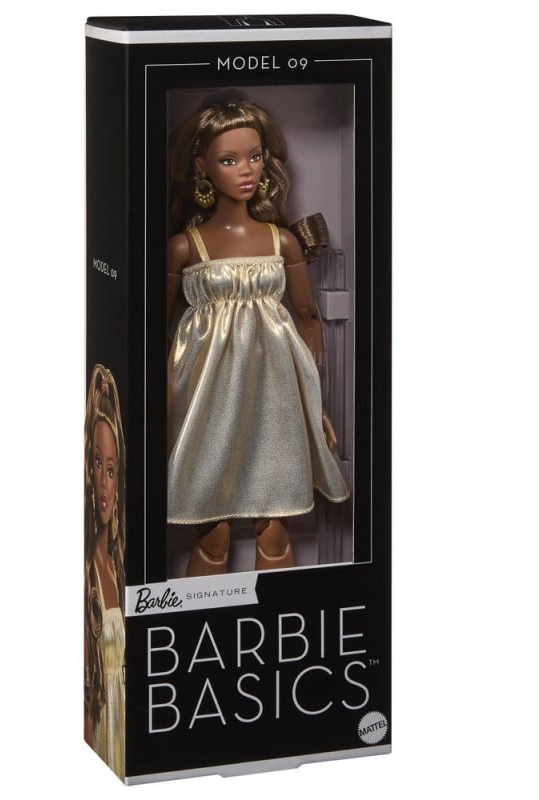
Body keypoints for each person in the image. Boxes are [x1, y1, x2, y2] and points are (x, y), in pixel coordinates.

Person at [167, 96, 349, 576]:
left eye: (254, 156)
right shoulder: (186, 247)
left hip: (275, 394)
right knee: (212, 531)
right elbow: (154, 333)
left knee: (275, 529)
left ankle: (278, 613)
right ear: (202, 167)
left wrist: (314, 402)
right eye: (229, 160)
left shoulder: (281, 241)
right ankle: (201, 616)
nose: (246, 170)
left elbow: (307, 319)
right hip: (208, 398)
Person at [83, 364, 125, 779]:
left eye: (111, 469)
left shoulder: (119, 569)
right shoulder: (86, 577)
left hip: (127, 734)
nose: (104, 483)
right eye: (97, 464)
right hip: (102, 740)